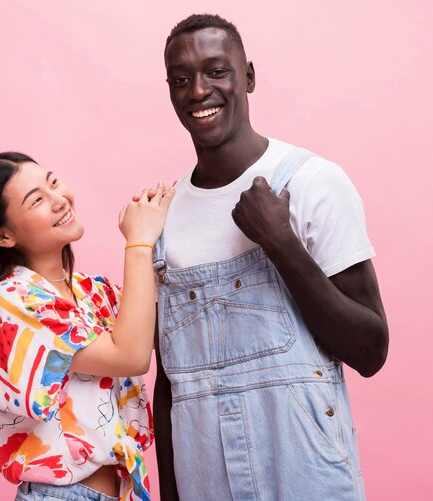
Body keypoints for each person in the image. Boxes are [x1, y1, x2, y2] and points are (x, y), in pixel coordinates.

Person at [152, 14, 389, 500]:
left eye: (216, 71)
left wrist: (281, 245)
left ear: (249, 76)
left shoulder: (311, 181)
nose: (198, 90)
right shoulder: (162, 217)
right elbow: (169, 386)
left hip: (307, 479)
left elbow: (371, 351)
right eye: (181, 79)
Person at [0, 152, 174, 501]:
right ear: (2, 235)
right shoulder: (15, 298)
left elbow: (163, 331)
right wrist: (139, 241)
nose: (59, 200)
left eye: (53, 182)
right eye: (37, 199)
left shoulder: (92, 291)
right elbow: (130, 355)